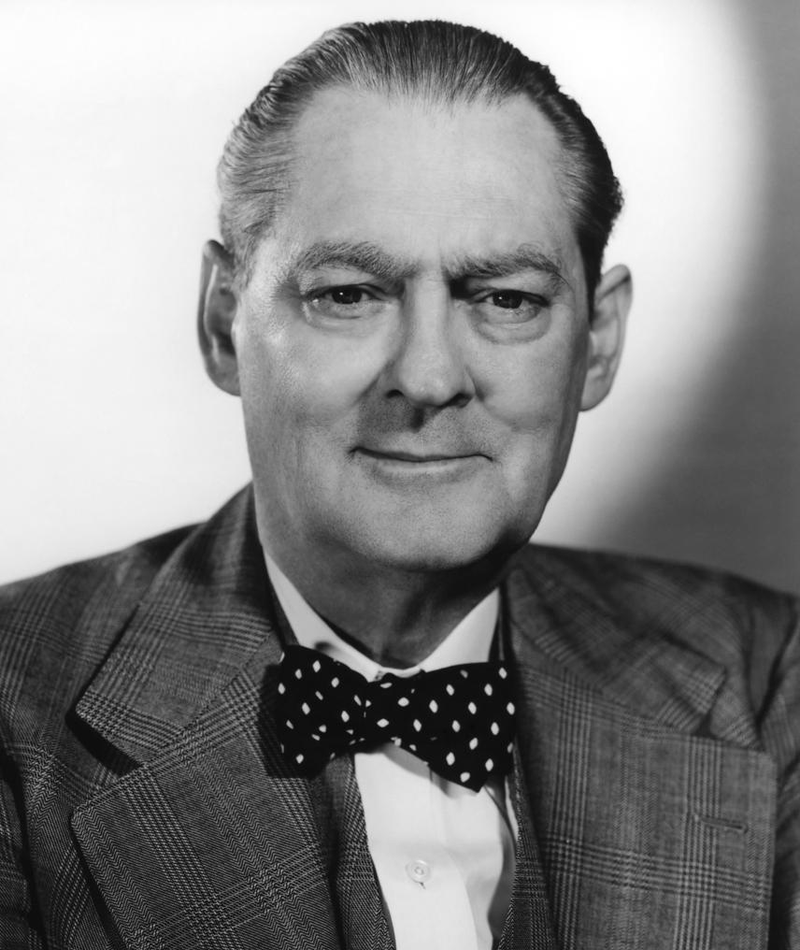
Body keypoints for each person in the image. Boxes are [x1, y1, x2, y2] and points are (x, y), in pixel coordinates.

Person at [1, 18, 798, 950]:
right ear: (223, 324)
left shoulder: (768, 680)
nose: (426, 377)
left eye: (506, 299)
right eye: (349, 294)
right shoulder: (14, 708)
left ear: (599, 343)